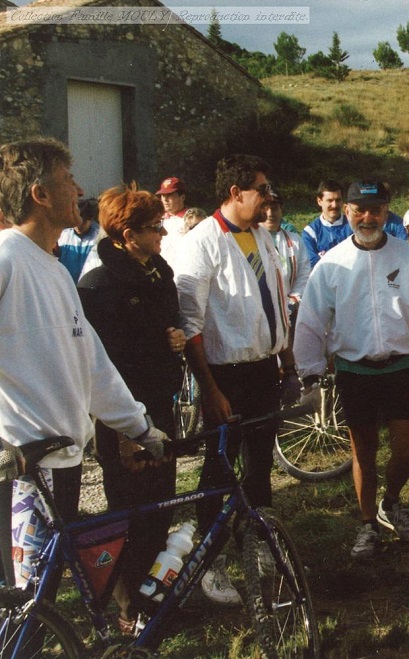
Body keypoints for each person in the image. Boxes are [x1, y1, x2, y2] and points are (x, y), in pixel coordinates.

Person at [0, 138, 168, 587]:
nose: (79, 190)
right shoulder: (5, 258)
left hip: (63, 461)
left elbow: (92, 364)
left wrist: (140, 428)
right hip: (24, 466)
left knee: (43, 596)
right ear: (40, 194)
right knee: (25, 606)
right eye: (68, 180)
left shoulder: (55, 270)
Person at [295, 179, 409, 559]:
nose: (367, 217)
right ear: (346, 211)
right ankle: (366, 526)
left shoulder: (406, 256)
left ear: (386, 211)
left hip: (401, 366)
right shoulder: (331, 263)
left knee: (406, 450)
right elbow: (311, 321)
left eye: (375, 210)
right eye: (359, 209)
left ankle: (391, 503)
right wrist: (311, 373)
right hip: (354, 370)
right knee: (364, 452)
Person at [174, 154, 287, 605]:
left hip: (265, 369)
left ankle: (257, 540)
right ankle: (209, 560)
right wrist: (210, 389)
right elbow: (190, 325)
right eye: (261, 188)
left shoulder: (261, 234)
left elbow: (274, 300)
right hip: (225, 375)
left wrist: (288, 358)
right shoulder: (201, 242)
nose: (268, 197)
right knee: (219, 468)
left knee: (260, 463)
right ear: (235, 192)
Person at [77, 183, 185, 633]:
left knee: (161, 505)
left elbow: (168, 322)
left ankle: (155, 596)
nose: (162, 232)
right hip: (121, 418)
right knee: (128, 510)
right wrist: (122, 434)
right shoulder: (99, 286)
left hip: (160, 406)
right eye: (153, 227)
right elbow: (102, 368)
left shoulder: (158, 271)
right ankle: (126, 610)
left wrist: (175, 337)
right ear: (126, 234)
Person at [260, 192, 312, 404]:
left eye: (275, 207)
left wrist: (293, 300)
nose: (271, 213)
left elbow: (304, 275)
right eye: (266, 207)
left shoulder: (294, 241)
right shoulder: (251, 239)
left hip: (289, 308)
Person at [55, 196, 100, 282]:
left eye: (83, 222)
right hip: (67, 285)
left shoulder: (99, 237)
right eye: (76, 221)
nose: (78, 226)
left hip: (88, 287)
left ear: (90, 219)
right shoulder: (62, 236)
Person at [156, 176, 187, 268]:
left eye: (169, 195)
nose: (165, 199)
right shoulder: (156, 220)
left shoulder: (194, 220)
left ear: (182, 197)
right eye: (162, 195)